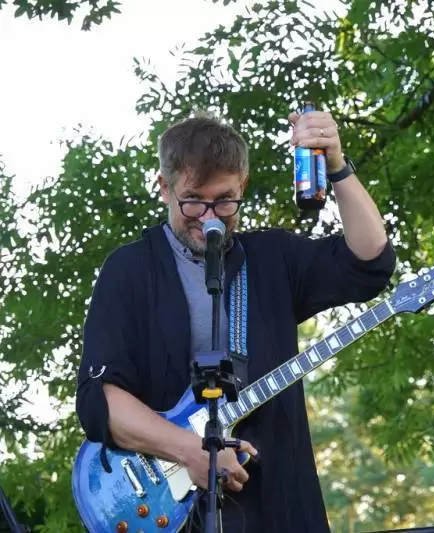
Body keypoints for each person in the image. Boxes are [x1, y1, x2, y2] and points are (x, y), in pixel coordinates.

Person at [74, 110, 396, 532]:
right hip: (173, 513)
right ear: (164, 188)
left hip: (279, 509)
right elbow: (99, 399)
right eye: (193, 200)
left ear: (242, 185)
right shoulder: (129, 270)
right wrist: (190, 451)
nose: (209, 217)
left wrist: (336, 164)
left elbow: (370, 263)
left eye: (225, 200)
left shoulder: (272, 258)